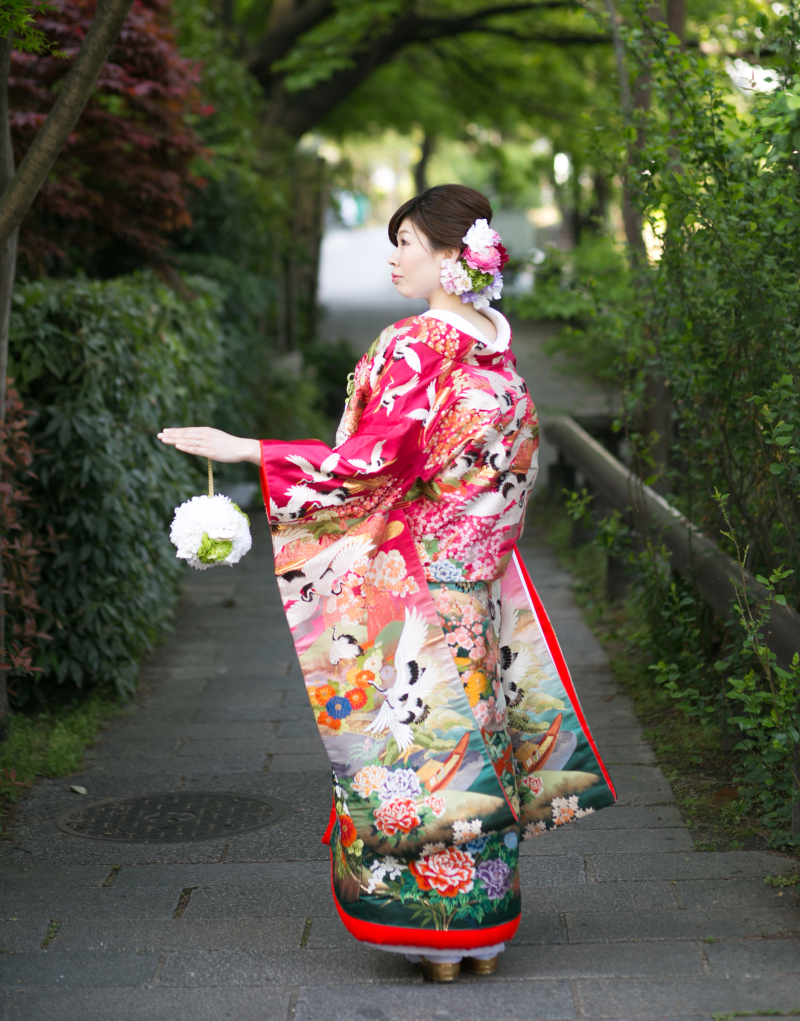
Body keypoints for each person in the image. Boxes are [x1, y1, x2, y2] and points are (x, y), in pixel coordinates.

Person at [158, 184, 615, 982]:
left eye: (406, 243)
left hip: (419, 585)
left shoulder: (417, 344)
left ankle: (433, 937)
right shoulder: (495, 350)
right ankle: (483, 933)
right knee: (481, 744)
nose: (394, 257)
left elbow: (366, 465)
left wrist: (251, 451)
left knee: (421, 755)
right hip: (480, 586)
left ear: (451, 257)